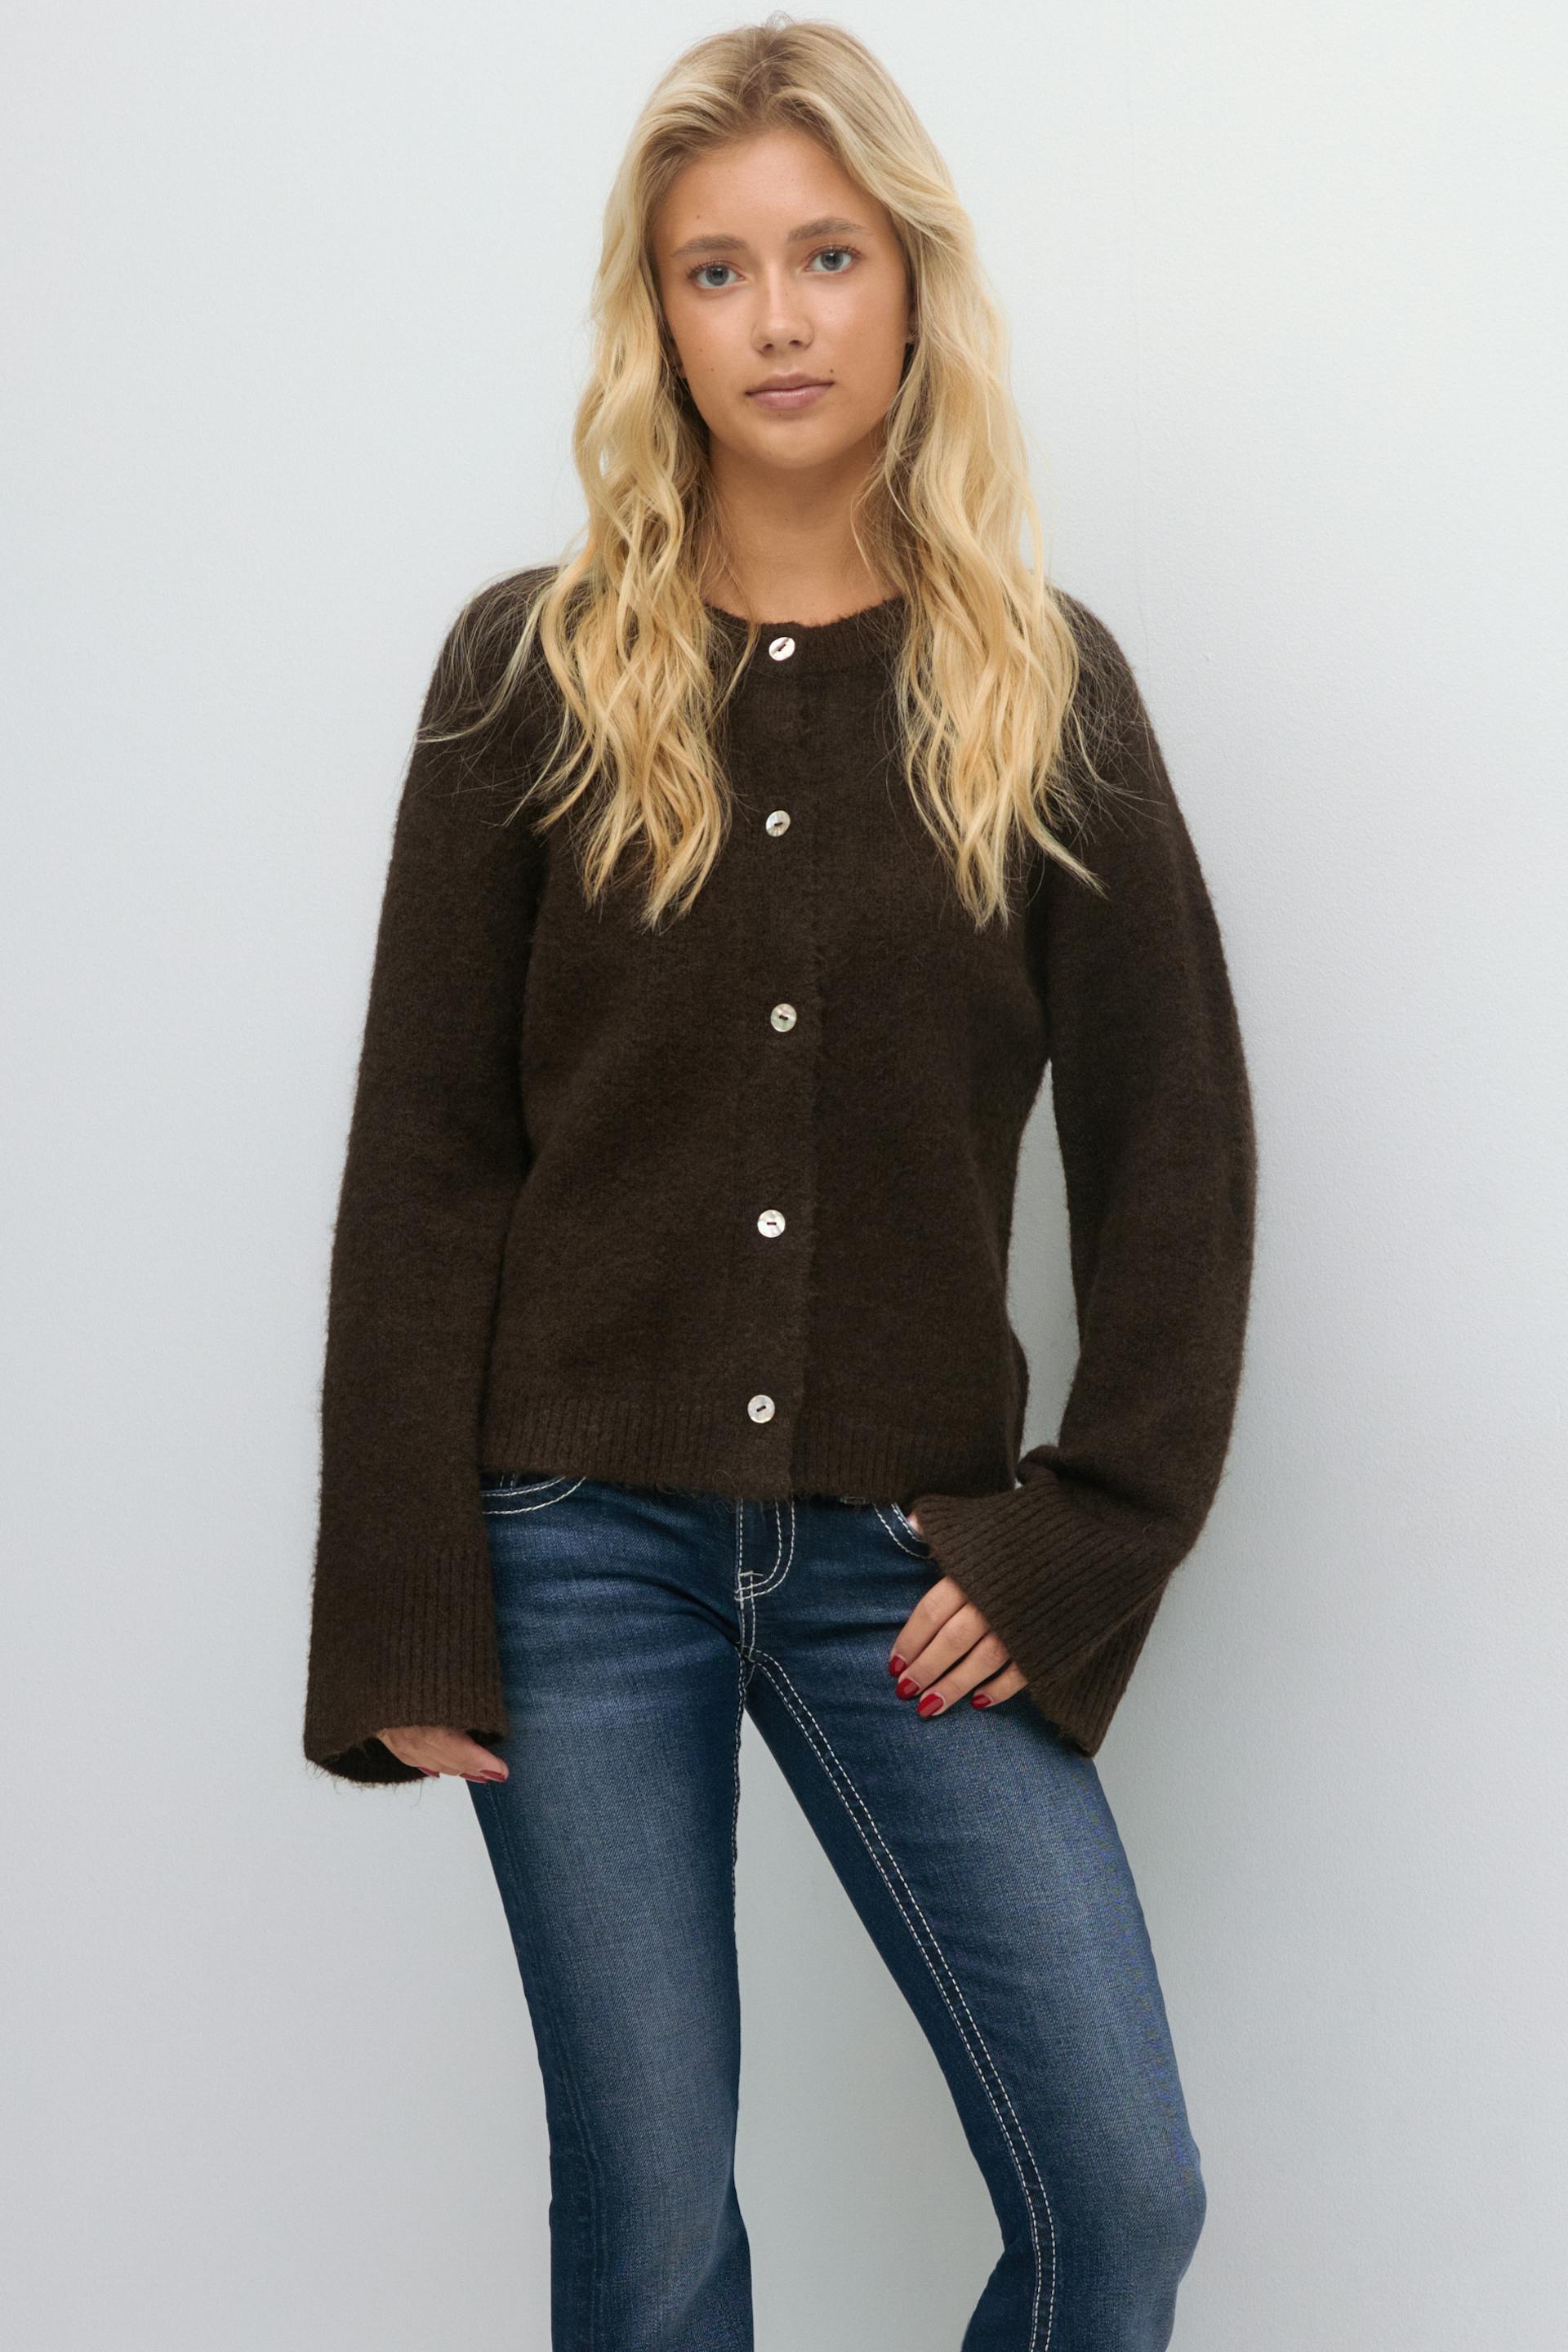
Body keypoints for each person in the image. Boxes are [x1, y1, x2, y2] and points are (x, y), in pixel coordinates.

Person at [302, 20, 1257, 2349]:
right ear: (658, 316)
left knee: (1119, 2197)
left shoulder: (1043, 691)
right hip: (572, 1552)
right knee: (648, 2226)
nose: (780, 318)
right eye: (716, 271)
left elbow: (1177, 1152)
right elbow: (427, 1155)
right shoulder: (530, 675)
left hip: (902, 1560)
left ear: (912, 281)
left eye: (827, 256)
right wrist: (404, 1602)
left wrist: (1086, 1532)